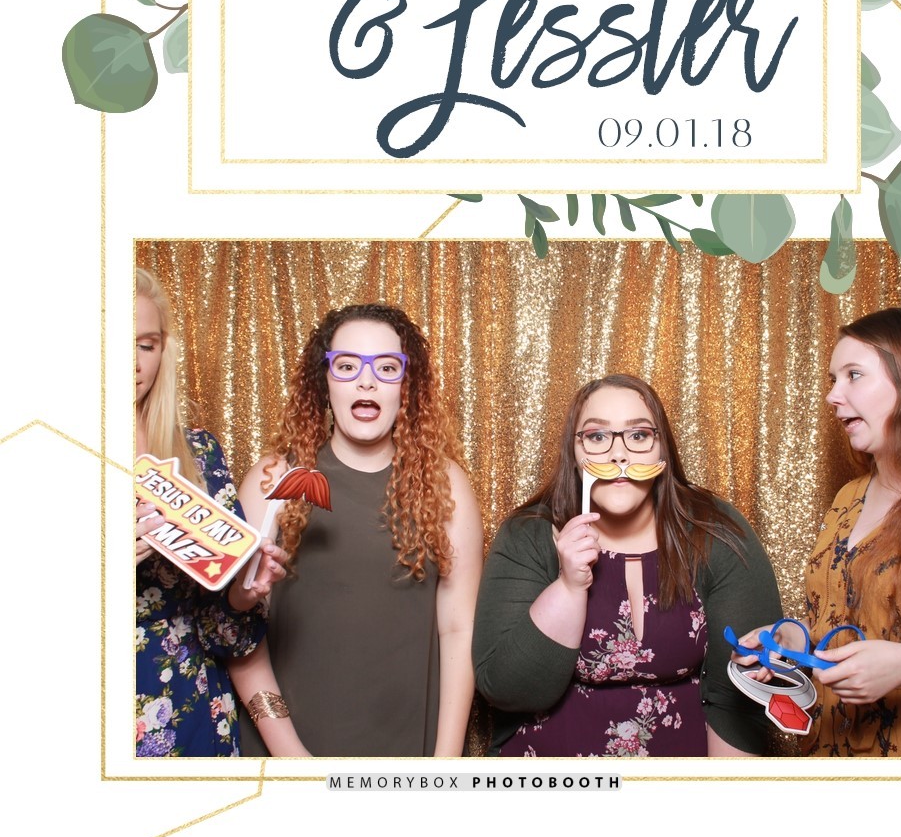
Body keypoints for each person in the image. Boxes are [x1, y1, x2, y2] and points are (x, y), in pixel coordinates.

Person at [473, 374, 782, 757]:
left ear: (662, 450)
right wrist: (569, 586)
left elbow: (738, 692)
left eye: (638, 435)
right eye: (597, 436)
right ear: (575, 453)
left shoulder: (714, 531)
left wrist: (717, 790)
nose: (619, 455)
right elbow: (507, 689)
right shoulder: (529, 535)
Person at [230, 304, 483, 757]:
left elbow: (458, 628)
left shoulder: (445, 485)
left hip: (408, 750)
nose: (367, 381)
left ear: (407, 385)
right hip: (289, 747)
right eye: (347, 366)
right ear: (324, 381)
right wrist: (291, 757)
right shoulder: (274, 481)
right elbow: (237, 627)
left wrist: (446, 762)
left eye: (386, 367)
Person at [735, 308, 901, 755]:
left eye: (854, 375)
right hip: (829, 750)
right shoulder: (847, 498)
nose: (833, 396)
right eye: (833, 380)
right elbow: (835, 621)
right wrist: (788, 641)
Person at [132, 267, 283, 756]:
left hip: (193, 706)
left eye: (145, 345)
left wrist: (240, 595)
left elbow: (223, 633)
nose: (130, 361)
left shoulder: (199, 454)